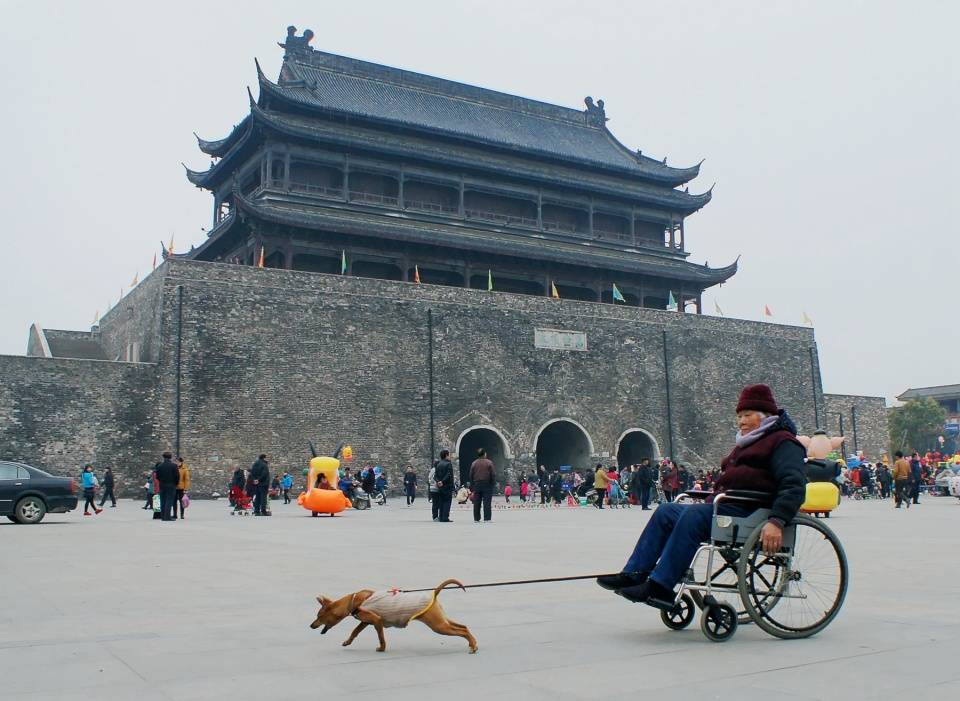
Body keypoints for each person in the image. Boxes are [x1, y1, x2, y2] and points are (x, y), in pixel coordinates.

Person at [597, 384, 806, 608]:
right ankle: (635, 572)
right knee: (666, 511)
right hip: (728, 506)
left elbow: (794, 485)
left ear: (766, 417)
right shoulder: (747, 443)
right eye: (739, 416)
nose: (741, 421)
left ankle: (661, 586)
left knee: (694, 516)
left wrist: (777, 520)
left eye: (747, 415)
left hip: (753, 510)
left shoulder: (783, 442)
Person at [469, 448, 496, 523]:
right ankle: (487, 518)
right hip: (487, 484)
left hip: (477, 484)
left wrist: (472, 485)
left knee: (477, 502)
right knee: (487, 501)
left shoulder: (474, 463)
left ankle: (476, 518)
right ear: (484, 454)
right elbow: (493, 474)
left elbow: (471, 475)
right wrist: (492, 483)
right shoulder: (489, 462)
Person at [155, 451, 180, 522]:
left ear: (163, 457)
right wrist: (176, 483)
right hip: (171, 484)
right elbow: (177, 476)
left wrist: (161, 481)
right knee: (169, 500)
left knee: (163, 500)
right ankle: (167, 516)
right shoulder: (174, 466)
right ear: (170, 457)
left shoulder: (160, 466)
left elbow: (157, 476)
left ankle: (163, 516)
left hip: (162, 484)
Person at [434, 449, 455, 522]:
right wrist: (443, 481)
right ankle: (445, 517)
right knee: (447, 502)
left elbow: (435, 475)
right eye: (449, 455)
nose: (450, 456)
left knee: (441, 502)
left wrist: (438, 481)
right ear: (446, 455)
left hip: (440, 486)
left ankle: (441, 516)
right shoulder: (448, 464)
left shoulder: (438, 464)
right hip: (447, 485)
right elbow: (449, 475)